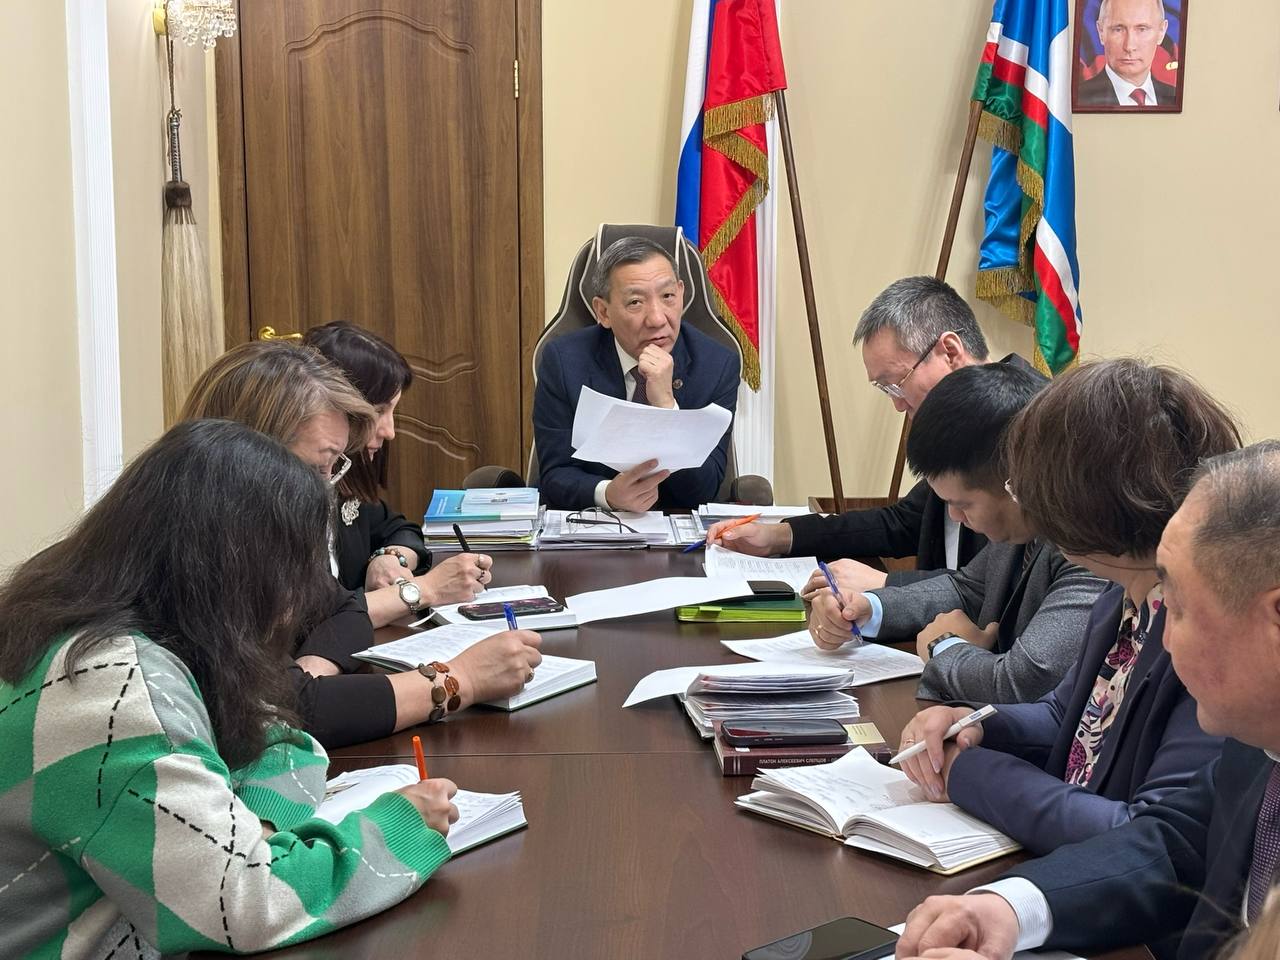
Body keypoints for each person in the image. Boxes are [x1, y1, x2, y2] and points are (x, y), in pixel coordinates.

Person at [0, 419, 460, 958]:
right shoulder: (114, 690)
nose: (296, 604)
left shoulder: (93, 619)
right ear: (236, 568)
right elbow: (241, 906)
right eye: (292, 572)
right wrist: (399, 828)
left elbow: (276, 732)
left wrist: (257, 826)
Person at [894, 441, 1280, 960]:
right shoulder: (1255, 747)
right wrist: (1010, 907)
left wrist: (967, 769)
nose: (1164, 640)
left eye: (1181, 608)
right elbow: (1172, 845)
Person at [896, 359, 1237, 855]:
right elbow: (1066, 716)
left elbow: (1147, 835)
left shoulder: (1206, 633)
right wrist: (972, 723)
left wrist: (970, 771)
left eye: (1029, 483)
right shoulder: (1120, 597)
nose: (1026, 499)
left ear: (1093, 500)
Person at [181, 341, 542, 748]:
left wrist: (311, 672)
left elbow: (345, 609)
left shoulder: (255, 531)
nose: (327, 488)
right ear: (248, 454)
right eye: (319, 467)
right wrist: (461, 679)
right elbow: (279, 712)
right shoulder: (200, 553)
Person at [709, 276, 1042, 595]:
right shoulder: (962, 422)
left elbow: (997, 588)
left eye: (897, 383)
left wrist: (886, 584)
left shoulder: (1034, 427)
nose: (897, 404)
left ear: (950, 352)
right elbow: (903, 522)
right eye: (886, 389)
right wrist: (779, 536)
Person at [809, 363, 1106, 704]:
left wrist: (943, 646)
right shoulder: (1022, 523)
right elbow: (968, 588)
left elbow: (1022, 681)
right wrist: (869, 608)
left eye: (962, 504)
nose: (954, 516)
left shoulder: (1090, 548)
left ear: (1018, 481)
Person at [533, 235, 740, 511]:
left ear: (681, 293)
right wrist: (607, 494)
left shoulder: (717, 365)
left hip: (677, 526)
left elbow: (704, 490)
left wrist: (667, 407)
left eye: (667, 296)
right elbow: (554, 474)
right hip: (594, 523)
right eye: (635, 302)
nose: (657, 319)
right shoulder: (564, 361)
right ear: (603, 312)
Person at [302, 320, 433, 592]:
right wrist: (429, 590)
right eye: (378, 411)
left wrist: (390, 557)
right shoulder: (292, 495)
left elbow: (400, 529)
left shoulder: (346, 478)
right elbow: (324, 611)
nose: (390, 432)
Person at [1077, 0, 1176, 107]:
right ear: (1101, 32)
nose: (1129, 46)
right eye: (1118, 30)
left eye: (1142, 29)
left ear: (1161, 32)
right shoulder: (1079, 99)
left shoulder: (1174, 98)